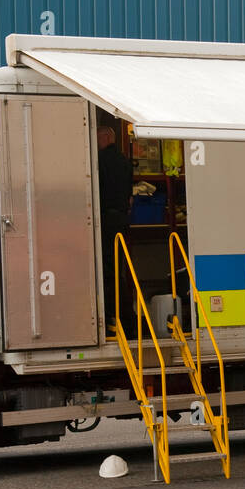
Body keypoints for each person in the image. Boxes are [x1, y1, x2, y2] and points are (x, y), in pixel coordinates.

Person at [97, 126, 132, 334]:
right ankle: (126, 316)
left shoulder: (99, 161)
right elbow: (129, 195)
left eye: (99, 137)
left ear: (107, 137)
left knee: (107, 268)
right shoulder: (125, 162)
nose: (97, 142)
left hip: (106, 220)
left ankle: (113, 314)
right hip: (121, 219)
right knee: (120, 267)